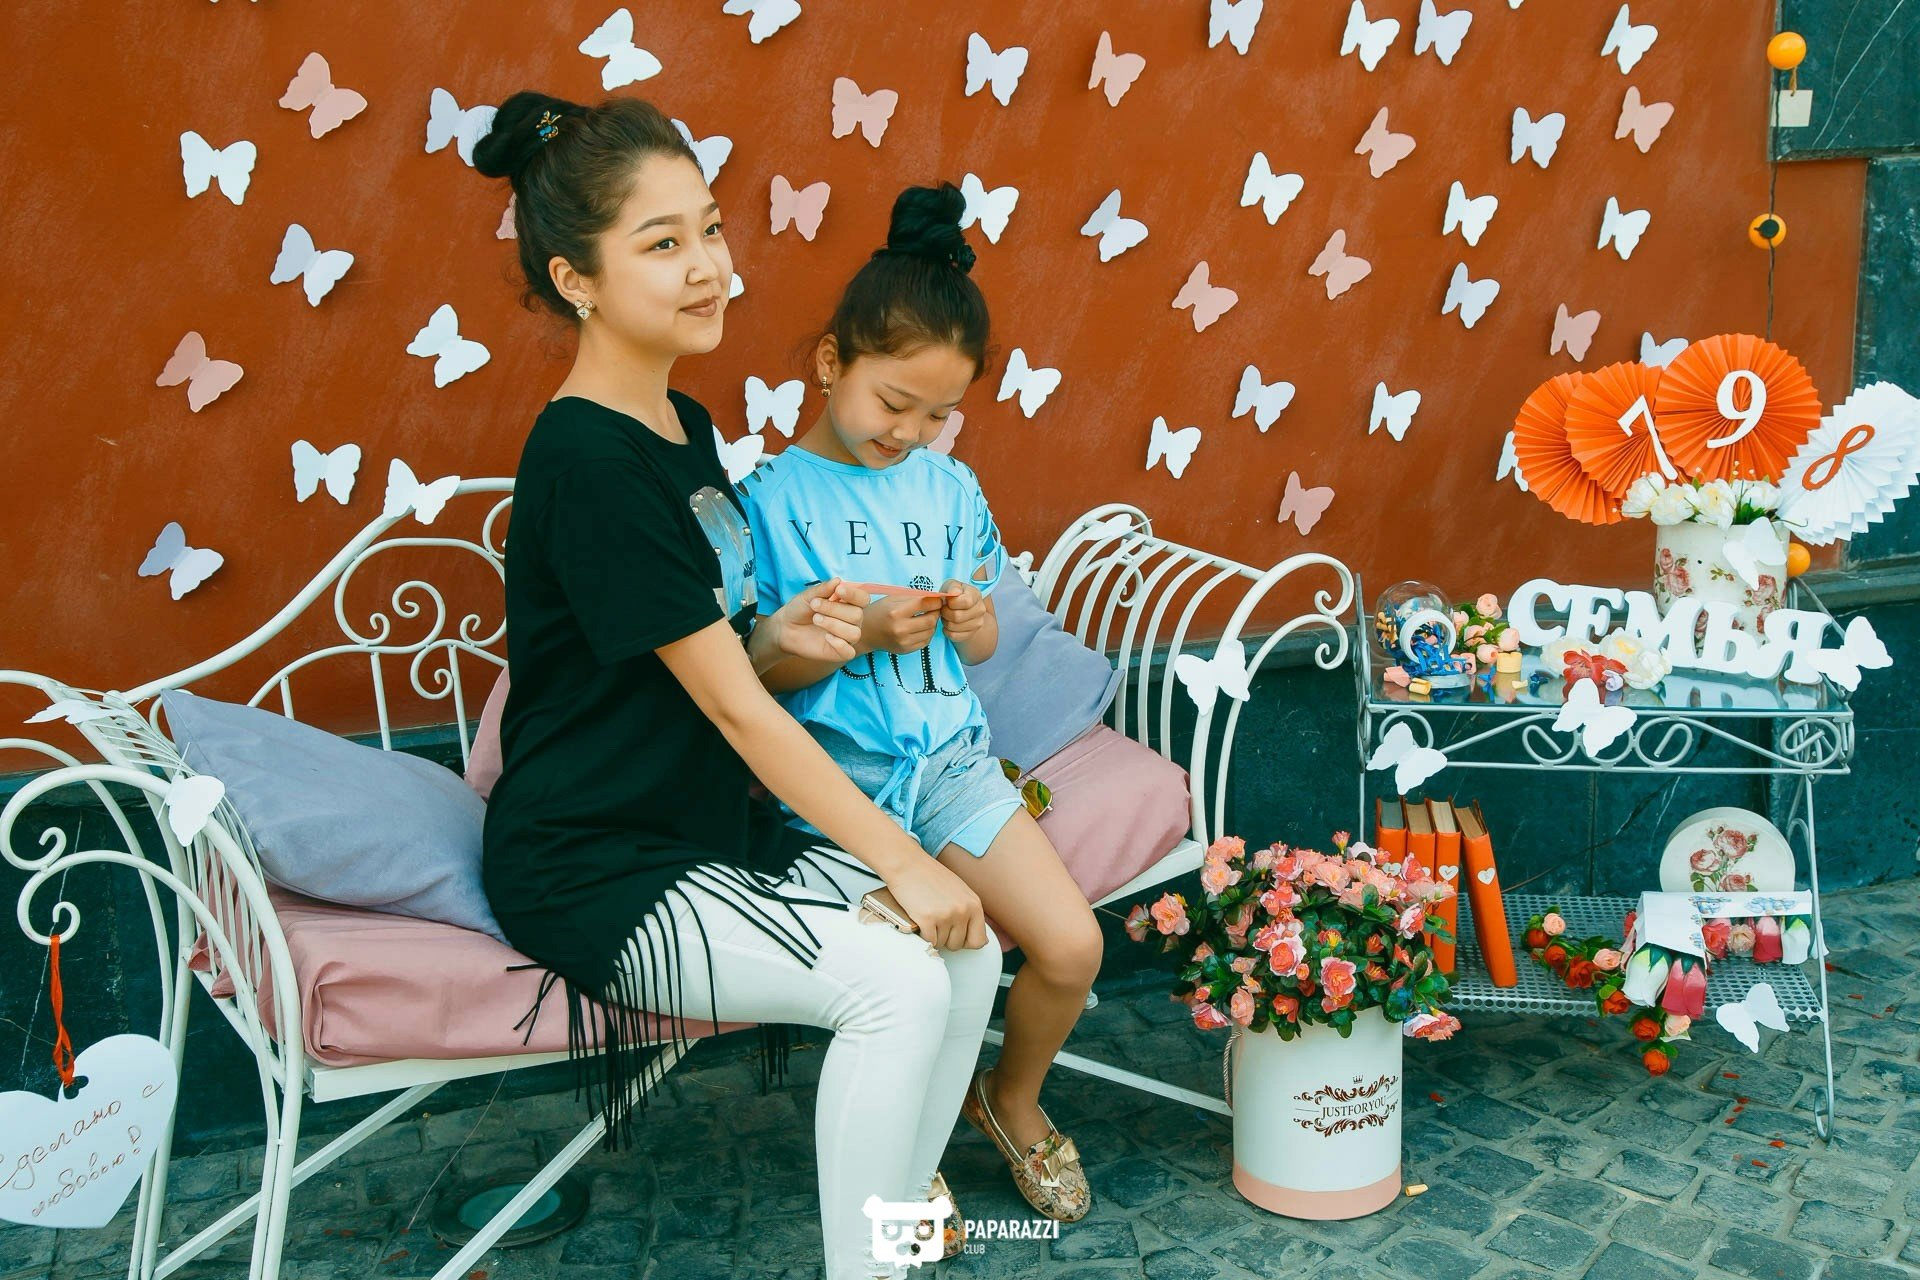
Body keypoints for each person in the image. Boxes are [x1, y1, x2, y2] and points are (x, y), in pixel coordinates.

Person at [472, 93, 1000, 1279]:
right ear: (575, 279)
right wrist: (905, 859)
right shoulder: (589, 457)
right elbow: (730, 704)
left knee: (967, 952)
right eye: (663, 243)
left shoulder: (682, 422)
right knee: (898, 984)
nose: (709, 265)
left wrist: (785, 639)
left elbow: (714, 659)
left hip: (704, 825)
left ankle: (896, 1237)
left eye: (709, 226)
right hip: (598, 860)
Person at [738, 183, 1104, 1223]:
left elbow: (978, 646)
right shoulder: (768, 501)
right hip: (834, 792)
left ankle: (1009, 1098)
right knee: (930, 979)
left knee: (1073, 947)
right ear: (830, 362)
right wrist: (848, 637)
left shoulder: (952, 489)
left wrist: (971, 617)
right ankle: (907, 1151)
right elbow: (751, 683)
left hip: (951, 769)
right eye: (894, 403)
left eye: (938, 414)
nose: (911, 432)